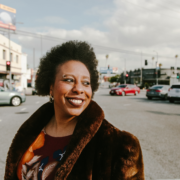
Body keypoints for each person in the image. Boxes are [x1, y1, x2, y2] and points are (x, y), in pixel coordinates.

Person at [5, 41, 144, 180]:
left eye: (86, 83)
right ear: (51, 87)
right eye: (69, 80)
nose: (79, 88)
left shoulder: (121, 146)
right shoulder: (30, 132)